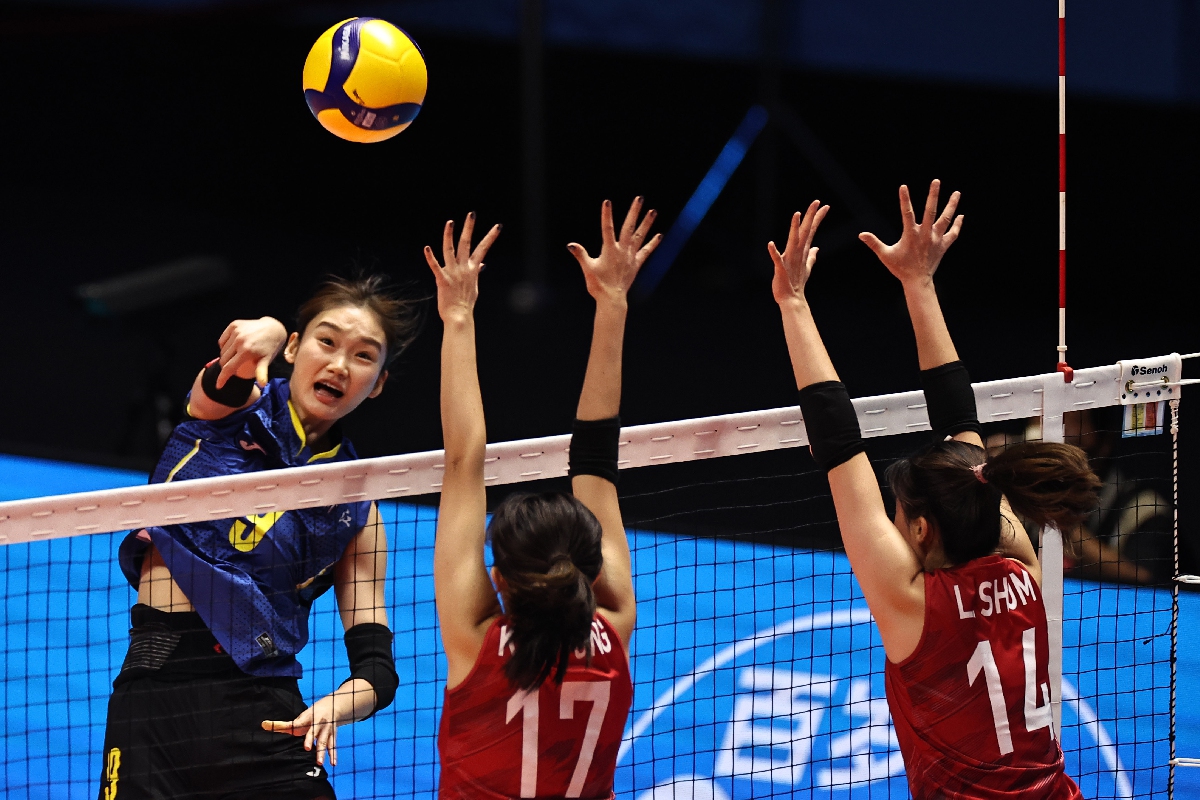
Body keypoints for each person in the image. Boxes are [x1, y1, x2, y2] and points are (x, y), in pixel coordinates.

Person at [770, 182, 1092, 799]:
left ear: (921, 529)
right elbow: (957, 445)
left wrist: (793, 303)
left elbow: (842, 448)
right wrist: (920, 283)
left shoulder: (915, 608)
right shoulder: (1020, 566)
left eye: (897, 514)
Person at [100, 274, 419, 799]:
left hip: (266, 710)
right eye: (327, 341)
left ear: (378, 383)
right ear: (294, 347)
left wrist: (339, 705)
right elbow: (225, 378)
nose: (339, 364)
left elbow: (377, 667)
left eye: (364, 356)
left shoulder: (358, 506)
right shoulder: (231, 414)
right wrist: (266, 330)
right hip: (158, 695)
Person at [427, 200, 660, 799]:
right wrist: (614, 303)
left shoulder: (475, 646)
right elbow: (596, 458)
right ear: (591, 566)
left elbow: (463, 461)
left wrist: (458, 317)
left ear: (498, 577)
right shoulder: (614, 626)